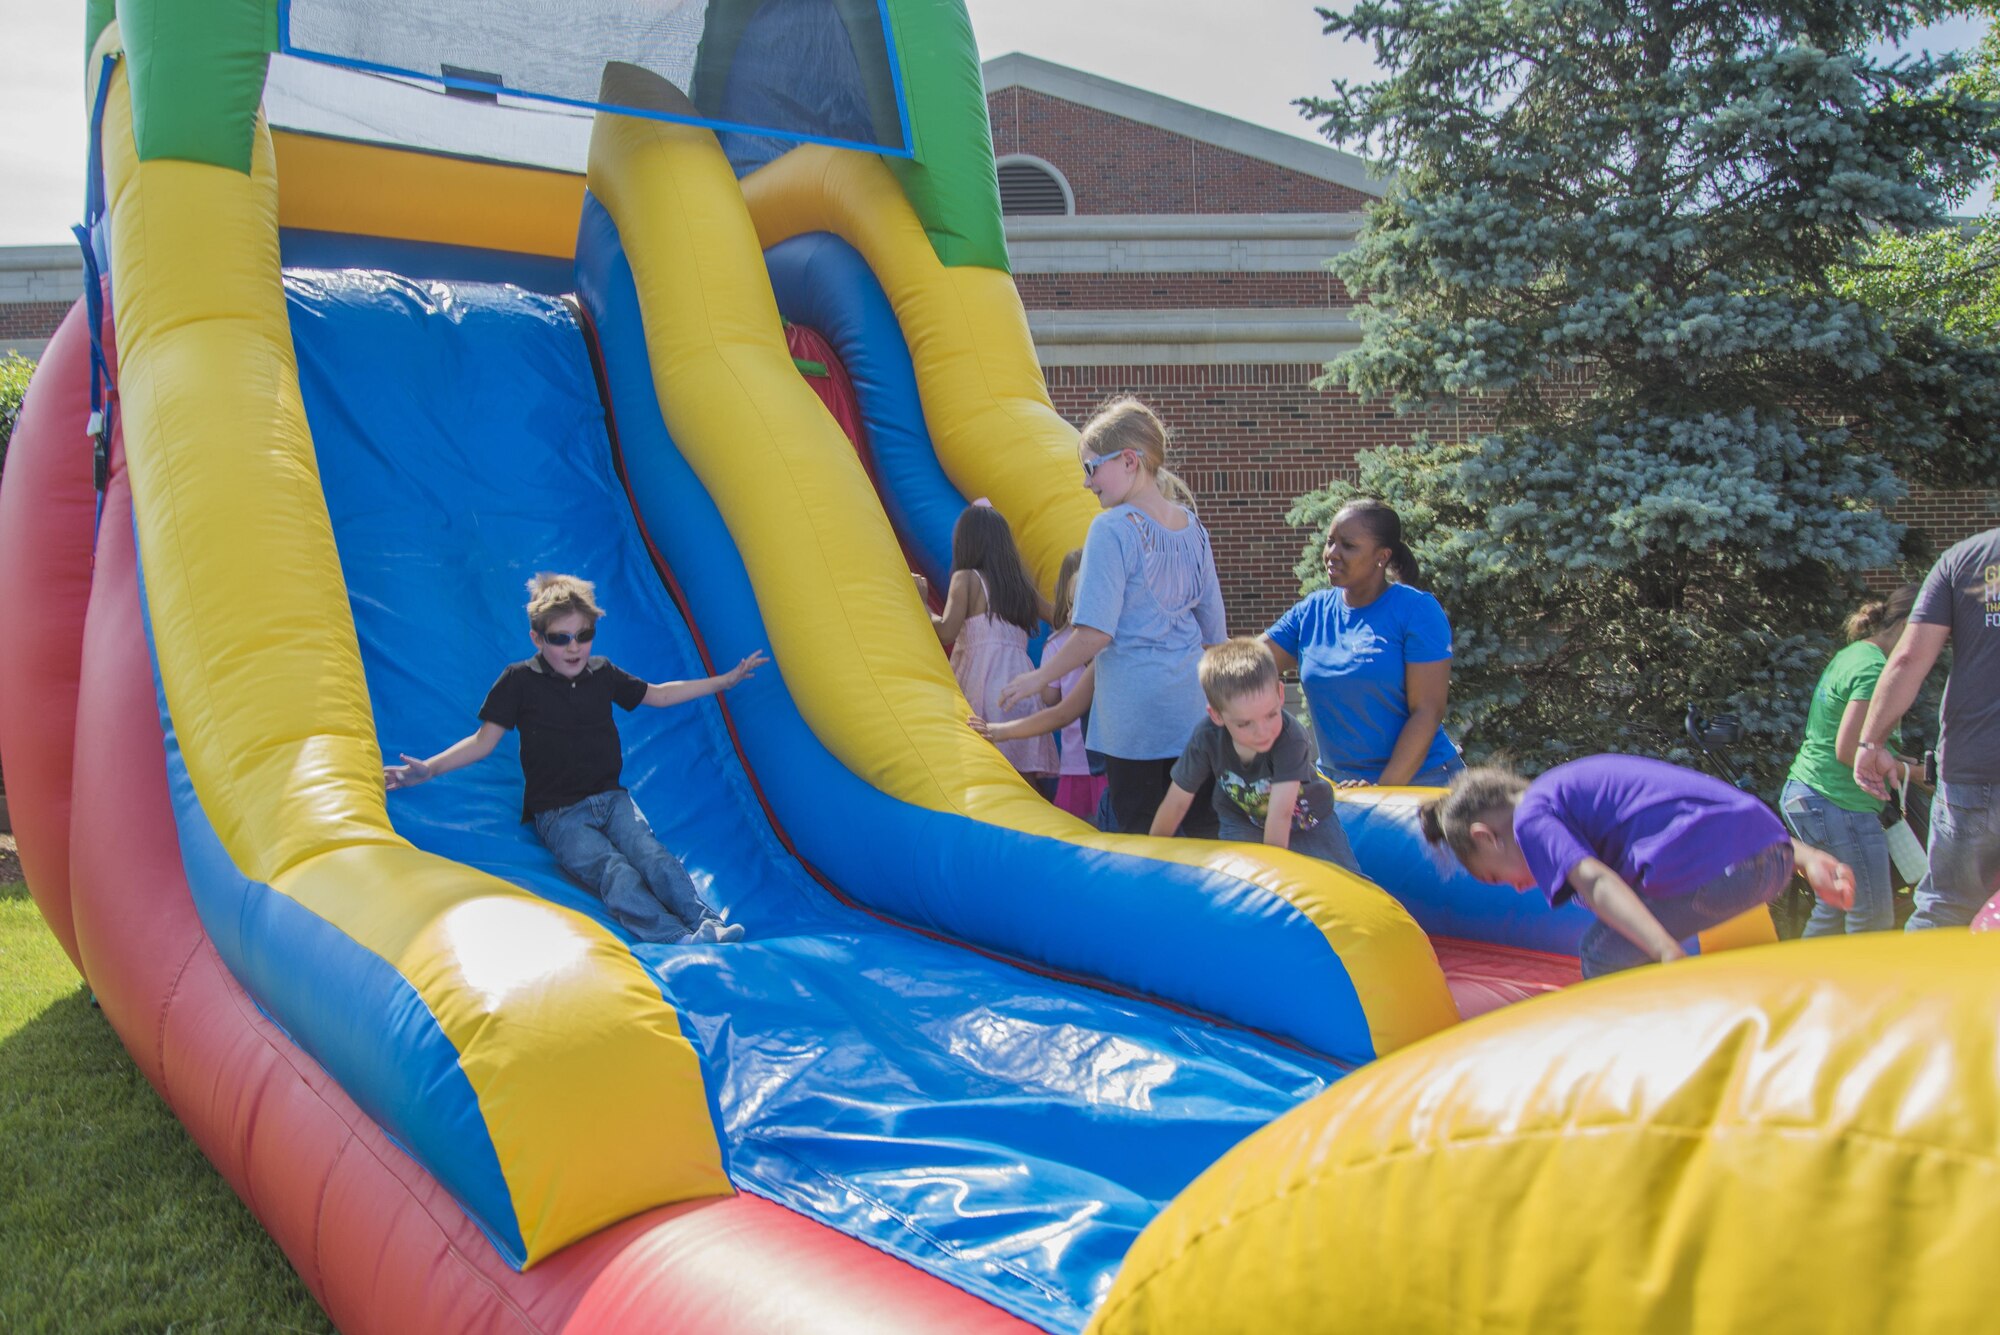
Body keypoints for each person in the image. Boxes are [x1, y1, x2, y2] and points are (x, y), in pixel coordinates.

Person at [383, 573, 765, 945]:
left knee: (651, 855)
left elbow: (659, 694)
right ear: (537, 638)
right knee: (614, 870)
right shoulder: (518, 680)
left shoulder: (602, 673)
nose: (573, 647)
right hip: (560, 814)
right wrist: (428, 769)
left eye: (583, 636)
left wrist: (724, 681)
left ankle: (706, 922)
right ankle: (674, 936)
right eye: (559, 638)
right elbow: (483, 742)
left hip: (612, 800)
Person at [997, 398, 1227, 835]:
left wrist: (1037, 679)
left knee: (1139, 838)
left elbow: (1094, 634)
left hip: (1135, 722)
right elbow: (1214, 635)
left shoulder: (1113, 527)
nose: (1087, 484)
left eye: (1091, 468)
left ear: (1128, 460)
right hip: (1190, 717)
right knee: (1201, 838)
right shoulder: (1194, 531)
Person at [1418, 757, 1855, 979]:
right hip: (1767, 859)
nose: (1514, 888)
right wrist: (1806, 856)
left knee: (1603, 951)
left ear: (1485, 836)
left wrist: (1665, 949)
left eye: (1495, 876)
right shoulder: (1569, 790)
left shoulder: (1532, 816)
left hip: (1726, 870)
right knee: (1619, 938)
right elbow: (1716, 810)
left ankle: (1646, 1059)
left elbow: (1595, 881)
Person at [1854, 526, 2000, 930]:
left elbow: (1908, 659)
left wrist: (1871, 742)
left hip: (1975, 773)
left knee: (1947, 908)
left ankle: (1918, 997)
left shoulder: (1965, 559)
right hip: (1974, 772)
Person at [1262, 498, 1462, 789]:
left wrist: (1382, 792)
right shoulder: (1313, 611)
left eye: (1348, 545)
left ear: (1382, 556)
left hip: (1420, 783)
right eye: (1330, 542)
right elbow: (1248, 661)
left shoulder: (1416, 611)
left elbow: (1428, 711)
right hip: (1338, 788)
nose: (1332, 553)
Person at [1779, 586, 1924, 935]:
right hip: (1837, 803)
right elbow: (1850, 751)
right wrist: (1916, 773)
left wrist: (1907, 762)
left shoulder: (1857, 654)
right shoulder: (1875, 669)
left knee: (1836, 910)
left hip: (1812, 797)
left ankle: (1804, 988)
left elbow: (1866, 743)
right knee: (1871, 916)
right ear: (1908, 625)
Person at [1149, 639, 1362, 873]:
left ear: (1280, 693)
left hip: (1310, 818)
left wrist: (1272, 881)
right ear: (1217, 716)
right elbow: (1176, 802)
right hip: (1243, 818)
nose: (1262, 732)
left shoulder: (1290, 737)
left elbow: (1280, 814)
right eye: (1244, 724)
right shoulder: (1206, 737)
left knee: (1344, 878)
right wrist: (1153, 857)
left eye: (1271, 715)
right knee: (1240, 878)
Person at [927, 504, 1058, 788]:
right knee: (1024, 782)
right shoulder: (1019, 586)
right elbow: (1059, 616)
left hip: (983, 686)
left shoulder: (966, 579)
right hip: (1020, 688)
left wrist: (923, 604)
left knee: (988, 777)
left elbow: (947, 631)